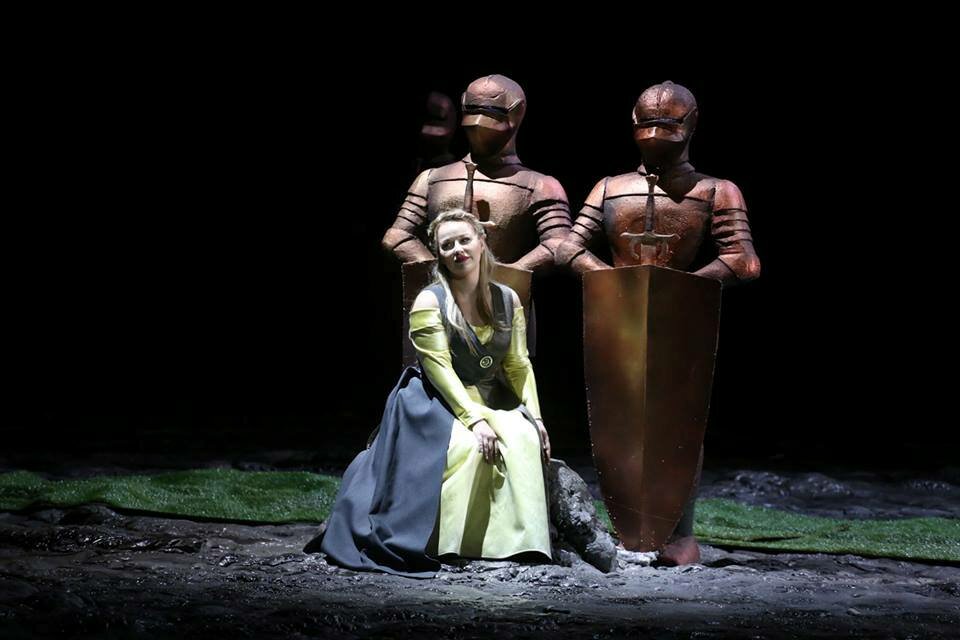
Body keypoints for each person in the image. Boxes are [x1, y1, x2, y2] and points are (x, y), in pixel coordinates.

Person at [556, 81, 760, 566]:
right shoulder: (609, 188)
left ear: (691, 124)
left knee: (678, 423)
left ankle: (677, 533)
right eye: (647, 126)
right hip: (617, 319)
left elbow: (744, 259)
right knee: (617, 421)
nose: (655, 137)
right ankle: (629, 525)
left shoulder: (715, 190)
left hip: (681, 320)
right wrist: (613, 281)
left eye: (667, 126)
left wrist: (680, 287)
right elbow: (568, 247)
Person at [315, 209, 552, 577]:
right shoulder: (431, 301)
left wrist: (535, 417)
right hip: (434, 399)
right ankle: (450, 543)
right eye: (447, 245)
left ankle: (515, 543)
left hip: (488, 394)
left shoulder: (507, 299)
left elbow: (518, 365)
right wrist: (476, 421)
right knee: (469, 447)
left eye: (464, 240)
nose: (458, 250)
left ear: (481, 242)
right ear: (439, 254)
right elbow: (439, 371)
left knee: (522, 437)